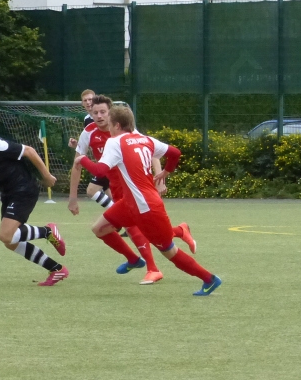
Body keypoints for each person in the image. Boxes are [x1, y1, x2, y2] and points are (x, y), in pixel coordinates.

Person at [75, 105, 220, 296]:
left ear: (117, 125)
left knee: (169, 251)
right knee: (99, 228)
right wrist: (166, 171)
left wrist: (82, 159)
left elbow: (100, 171)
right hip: (130, 203)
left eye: (110, 123)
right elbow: (175, 153)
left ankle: (209, 279)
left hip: (146, 207)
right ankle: (134, 259)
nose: (107, 128)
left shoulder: (115, 142)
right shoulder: (145, 139)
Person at [0, 109, 68, 286]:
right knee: (10, 241)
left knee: (6, 235)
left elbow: (30, 151)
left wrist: (46, 176)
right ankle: (56, 269)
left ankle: (47, 231)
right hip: (8, 193)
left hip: (23, 188)